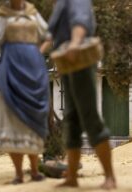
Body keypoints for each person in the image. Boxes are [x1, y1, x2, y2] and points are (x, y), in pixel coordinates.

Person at [40, 0, 116, 189]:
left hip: (79, 59)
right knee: (71, 119)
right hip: (66, 62)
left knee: (90, 117)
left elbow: (80, 21)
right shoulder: (59, 4)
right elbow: (51, 35)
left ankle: (110, 177)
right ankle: (72, 177)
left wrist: (74, 43)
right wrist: (36, 55)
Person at [0, 0, 49, 184]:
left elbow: (48, 36)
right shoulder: (3, 14)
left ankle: (34, 171)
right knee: (10, 116)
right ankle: (18, 173)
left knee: (32, 119)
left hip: (33, 68)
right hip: (10, 67)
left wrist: (37, 53)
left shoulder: (33, 12)